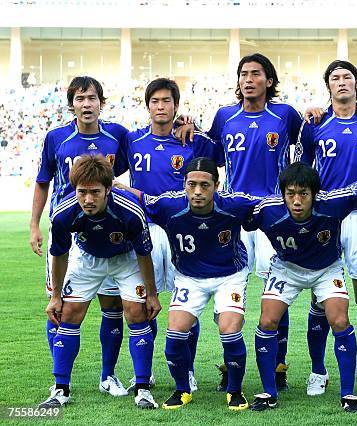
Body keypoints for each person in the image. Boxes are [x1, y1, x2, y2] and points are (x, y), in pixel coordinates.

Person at [125, 157, 259, 410]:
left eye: (205, 185)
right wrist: (110, 183)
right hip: (189, 277)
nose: (197, 192)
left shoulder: (235, 204)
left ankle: (235, 390)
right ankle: (182, 390)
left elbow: (268, 205)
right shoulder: (168, 206)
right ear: (184, 184)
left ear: (217, 185)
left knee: (230, 331)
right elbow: (139, 196)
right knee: (174, 334)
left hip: (230, 276)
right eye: (192, 184)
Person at [30, 76, 131, 397]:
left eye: (92, 98)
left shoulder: (117, 136)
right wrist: (34, 225)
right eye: (80, 98)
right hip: (66, 233)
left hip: (108, 233)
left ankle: (108, 375)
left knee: (112, 304)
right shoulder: (56, 138)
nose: (86, 104)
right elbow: (43, 181)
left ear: (102, 102)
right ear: (71, 103)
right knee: (58, 304)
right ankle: (61, 380)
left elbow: (136, 163)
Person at [207, 53, 302, 391]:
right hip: (233, 214)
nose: (248, 79)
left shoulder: (285, 115)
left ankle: (278, 364)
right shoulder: (224, 117)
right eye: (243, 74)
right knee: (227, 290)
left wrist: (318, 116)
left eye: (256, 74)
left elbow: (309, 143)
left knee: (277, 289)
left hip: (272, 214)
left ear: (269, 81)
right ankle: (229, 365)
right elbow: (210, 157)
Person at [295, 59, 357, 397]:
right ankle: (318, 370)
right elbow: (301, 173)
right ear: (329, 87)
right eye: (335, 78)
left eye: (347, 76)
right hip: (326, 218)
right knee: (321, 299)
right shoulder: (315, 124)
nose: (342, 82)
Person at [122, 78, 222, 392]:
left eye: (167, 101)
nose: (161, 106)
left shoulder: (192, 140)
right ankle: (145, 372)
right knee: (143, 301)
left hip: (183, 230)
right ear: (147, 106)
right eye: (155, 101)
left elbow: (219, 157)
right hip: (145, 229)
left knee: (187, 303)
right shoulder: (132, 141)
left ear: (176, 106)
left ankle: (187, 370)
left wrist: (195, 125)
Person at [38, 155, 161, 409]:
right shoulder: (63, 214)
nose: (88, 199)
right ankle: (61, 389)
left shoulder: (130, 212)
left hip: (125, 259)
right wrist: (55, 295)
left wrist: (151, 293)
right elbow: (59, 256)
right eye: (82, 192)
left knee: (136, 313)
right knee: (69, 313)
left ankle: (142, 388)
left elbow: (143, 255)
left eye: (95, 192)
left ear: (108, 189)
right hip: (87, 258)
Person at [246, 162, 357, 413]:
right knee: (267, 321)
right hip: (286, 268)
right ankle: (269, 391)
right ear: (283, 195)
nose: (297, 201)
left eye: (304, 194)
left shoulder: (333, 204)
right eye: (291, 194)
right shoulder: (267, 210)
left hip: (326, 268)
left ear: (315, 194)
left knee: (340, 321)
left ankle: (348, 395)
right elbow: (236, 212)